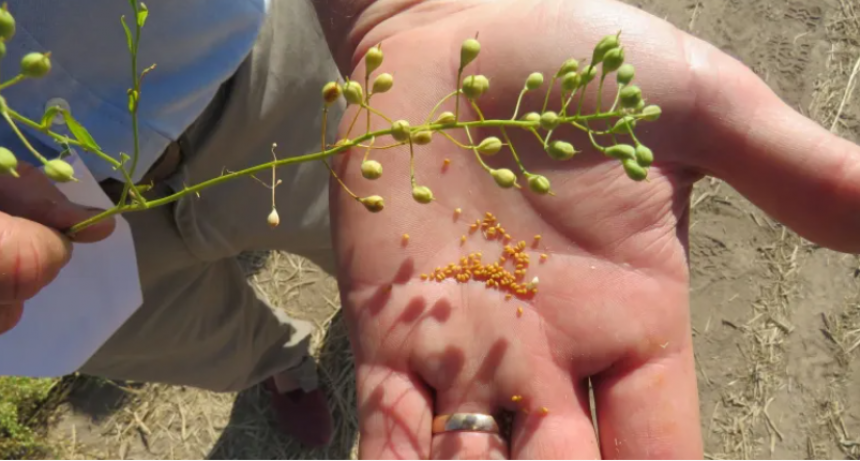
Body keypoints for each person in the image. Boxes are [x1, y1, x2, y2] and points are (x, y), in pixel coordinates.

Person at [1, 0, 859, 458]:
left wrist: (406, 11)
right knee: (185, 337)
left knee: (361, 234)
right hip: (37, 296)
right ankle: (276, 362)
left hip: (239, 72)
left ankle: (296, 357)